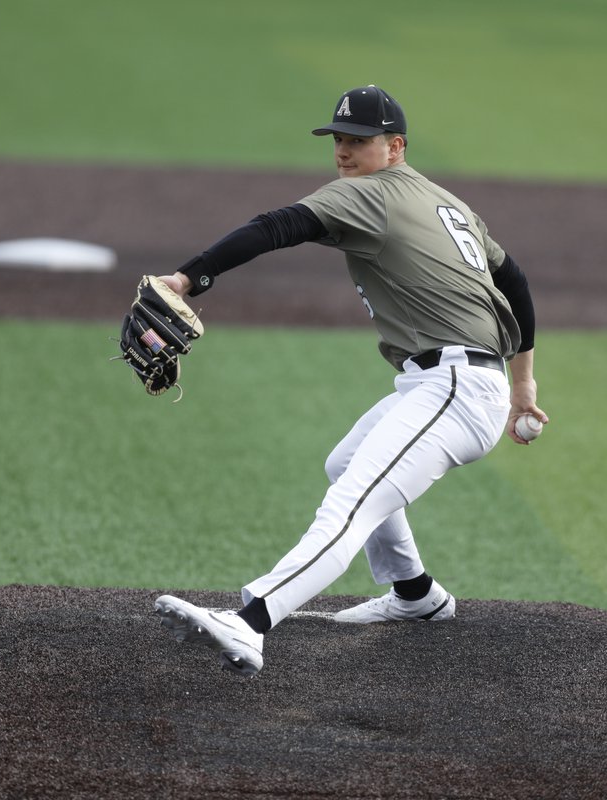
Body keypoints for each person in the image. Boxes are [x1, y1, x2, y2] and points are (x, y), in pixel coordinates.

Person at [153, 85, 548, 676]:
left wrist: (188, 279)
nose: (343, 151)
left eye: (358, 141)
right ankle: (415, 595)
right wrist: (525, 386)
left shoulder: (370, 195)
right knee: (347, 463)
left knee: (353, 499)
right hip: (447, 383)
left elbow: (278, 225)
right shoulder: (447, 202)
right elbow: (512, 279)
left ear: (395, 146)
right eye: (338, 139)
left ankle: (253, 621)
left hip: (457, 391)